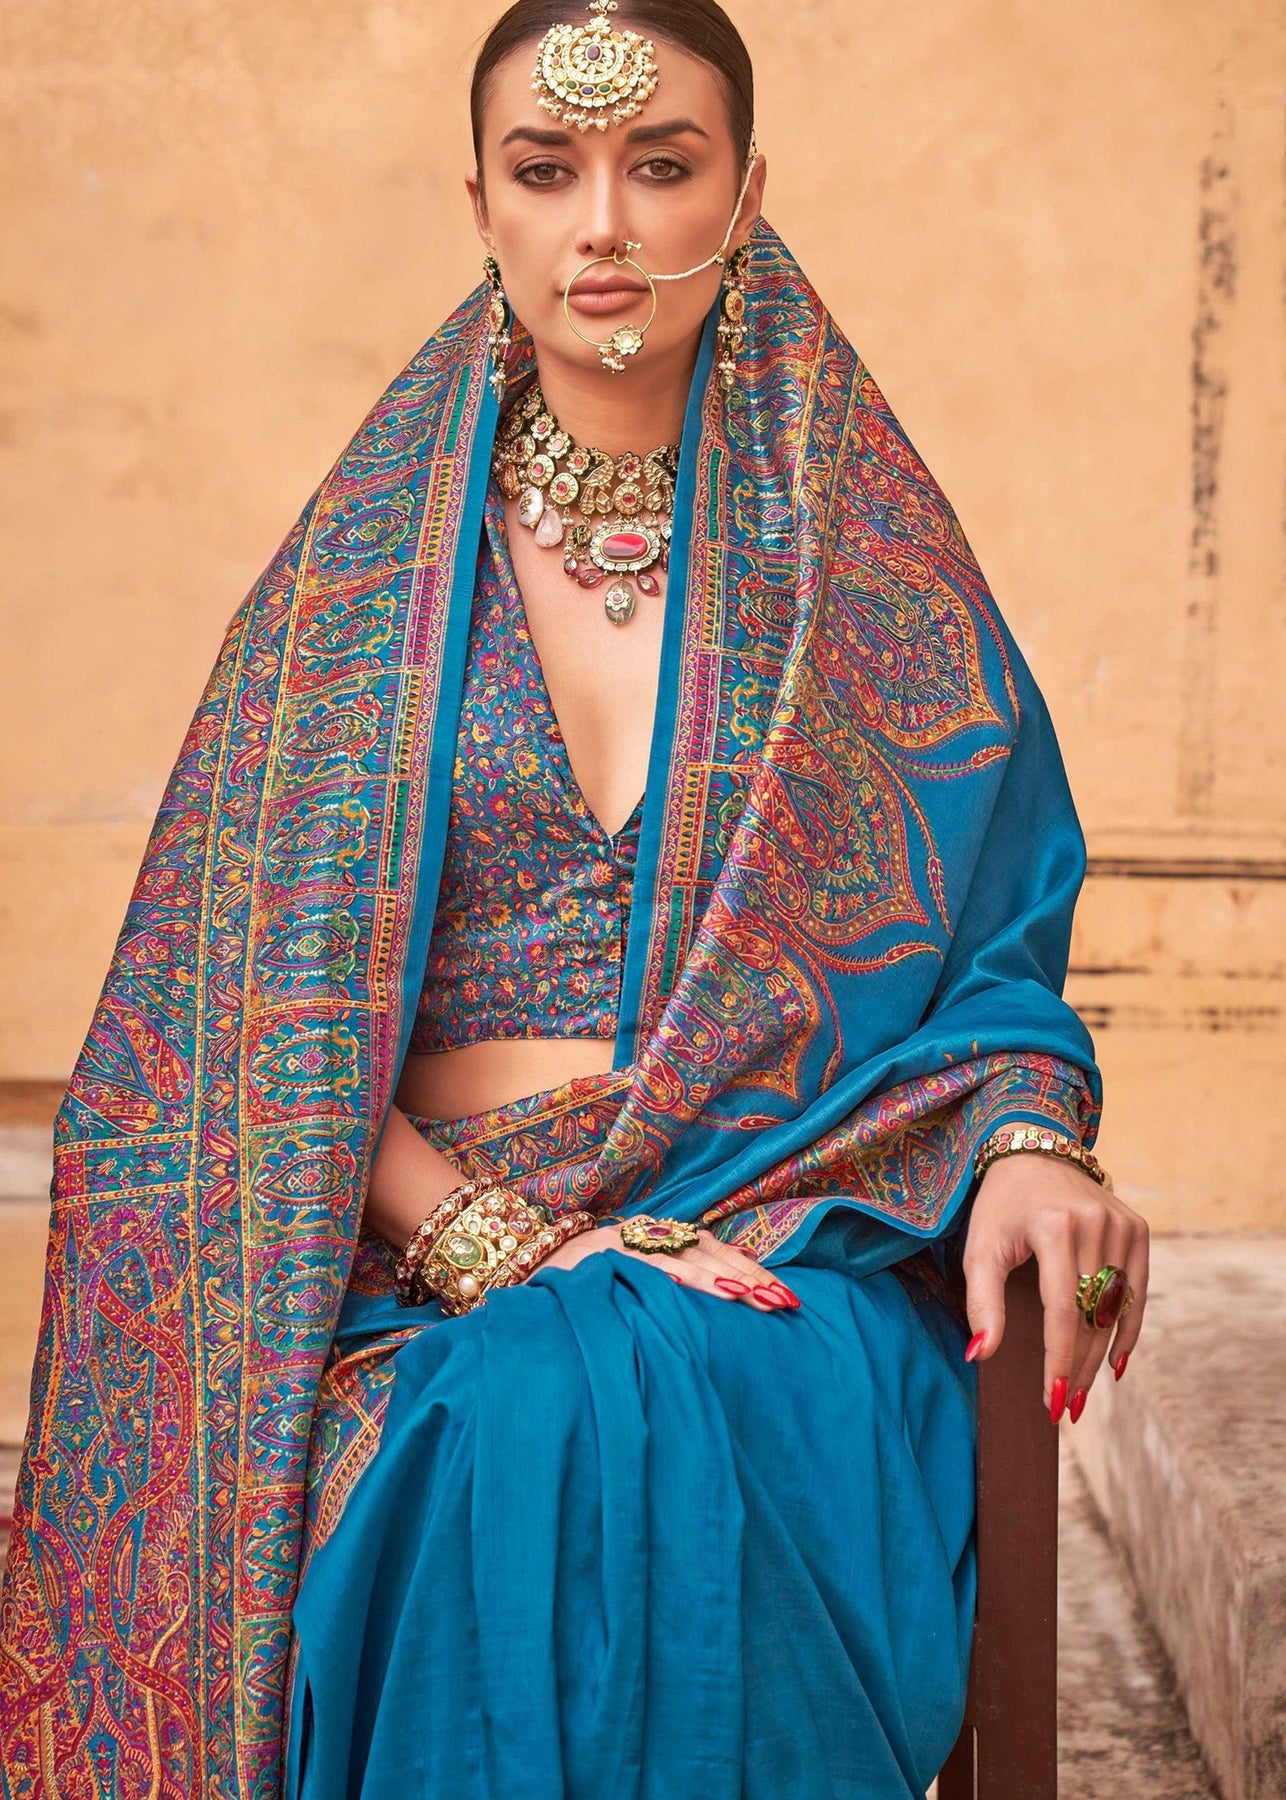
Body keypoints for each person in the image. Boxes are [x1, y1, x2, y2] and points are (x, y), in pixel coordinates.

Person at [0, 2, 1150, 1796]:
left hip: (768, 1228)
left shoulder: (860, 582)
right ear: (481, 204)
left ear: (745, 194)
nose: (601, 223)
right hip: (411, 1257)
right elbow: (233, 1026)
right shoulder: (358, 601)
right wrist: (500, 1244)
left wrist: (1021, 1139)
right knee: (526, 1408)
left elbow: (989, 951)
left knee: (693, 1394)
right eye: (546, 171)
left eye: (659, 165)